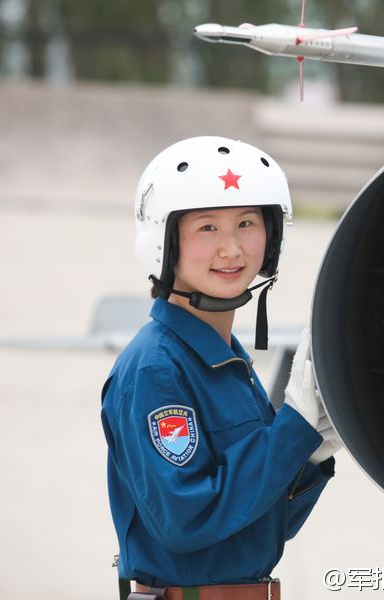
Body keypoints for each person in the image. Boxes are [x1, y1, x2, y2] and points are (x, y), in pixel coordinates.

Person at [101, 136, 341, 600]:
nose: (231, 249)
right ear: (165, 241)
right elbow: (185, 520)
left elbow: (257, 529)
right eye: (208, 227)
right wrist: (291, 432)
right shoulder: (156, 369)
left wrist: (307, 457)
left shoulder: (225, 362)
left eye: (247, 223)